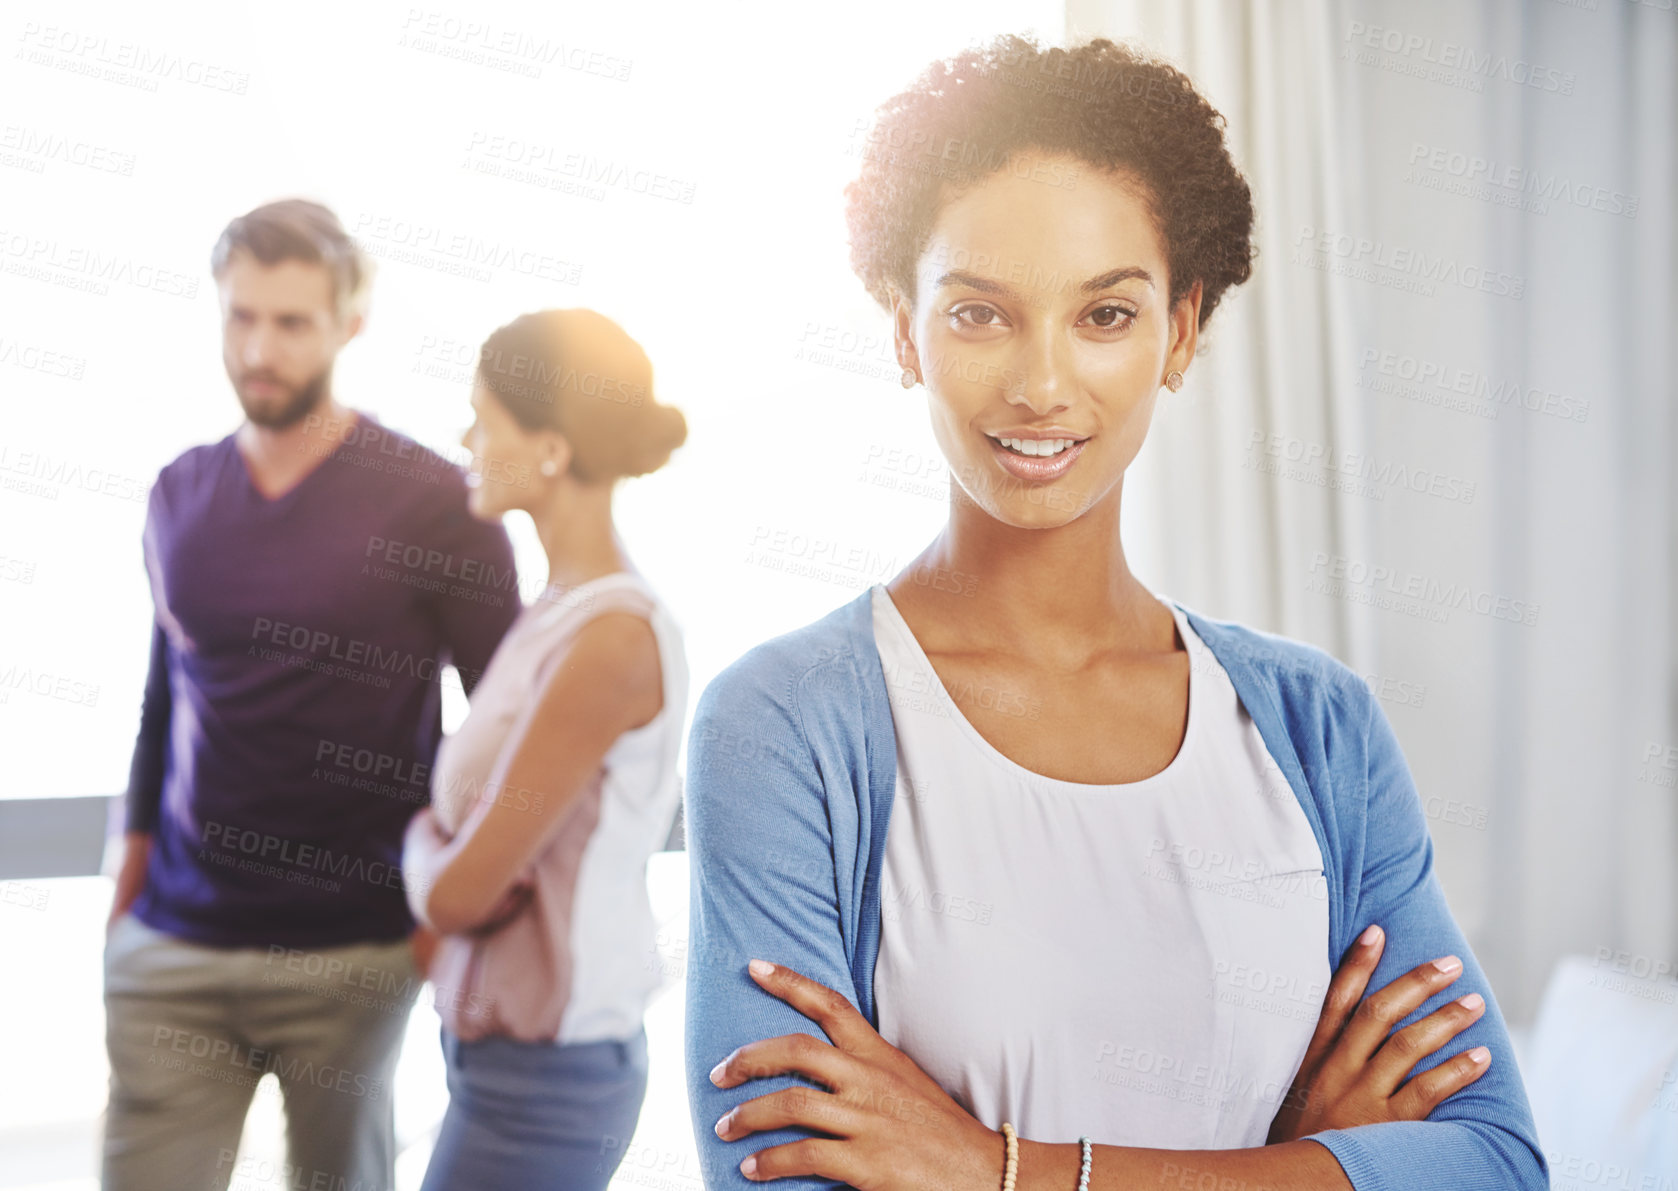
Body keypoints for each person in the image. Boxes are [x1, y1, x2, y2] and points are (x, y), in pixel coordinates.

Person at [682, 35, 1546, 1191]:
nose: (1042, 384)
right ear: (903, 329)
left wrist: (998, 1168)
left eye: (1105, 316)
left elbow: (1490, 1163)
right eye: (980, 314)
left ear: (1180, 331)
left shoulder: (1317, 726)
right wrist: (1294, 1163)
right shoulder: (785, 727)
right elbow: (780, 1179)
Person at [102, 198, 522, 1191]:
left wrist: (430, 927)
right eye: (239, 317)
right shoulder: (180, 494)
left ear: (348, 323)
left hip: (354, 955)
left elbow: (511, 728)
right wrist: (124, 903)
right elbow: (168, 698)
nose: (260, 347)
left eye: (290, 322)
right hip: (172, 953)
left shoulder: (437, 503)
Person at [400, 308, 690, 1190]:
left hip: (549, 1076)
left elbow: (459, 892)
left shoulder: (610, 640)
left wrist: (418, 844)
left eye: (485, 418)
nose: (466, 438)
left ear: (552, 448)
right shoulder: (556, 610)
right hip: (499, 1057)